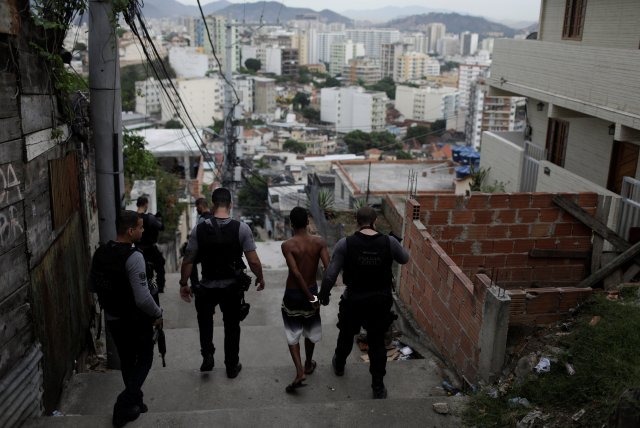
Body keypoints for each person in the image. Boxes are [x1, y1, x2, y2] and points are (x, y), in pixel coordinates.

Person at [319, 206, 409, 399]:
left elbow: (330, 275)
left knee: (346, 334)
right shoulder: (389, 242)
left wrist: (323, 296)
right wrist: (395, 245)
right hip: (379, 302)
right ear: (375, 221)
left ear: (357, 221)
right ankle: (378, 387)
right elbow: (404, 259)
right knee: (377, 343)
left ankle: (340, 365)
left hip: (353, 301)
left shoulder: (345, 244)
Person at [179, 188, 265, 377]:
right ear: (230, 204)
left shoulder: (199, 229)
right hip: (231, 288)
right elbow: (254, 261)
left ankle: (207, 356)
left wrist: (183, 283)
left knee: (204, 322)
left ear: (212, 204)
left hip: (207, 286)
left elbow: (188, 259)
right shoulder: (241, 228)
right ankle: (231, 366)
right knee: (232, 326)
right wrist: (260, 277)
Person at [89, 210, 163, 427]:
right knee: (146, 359)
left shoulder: (101, 252)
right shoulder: (134, 257)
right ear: (130, 231)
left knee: (128, 361)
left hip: (113, 318)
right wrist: (157, 313)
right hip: (135, 321)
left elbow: (91, 286)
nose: (143, 230)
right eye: (140, 227)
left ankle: (135, 402)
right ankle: (124, 403)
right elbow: (143, 298)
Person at [280, 207, 330, 393]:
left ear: (291, 225)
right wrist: (319, 296)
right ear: (308, 222)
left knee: (293, 334)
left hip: (293, 294)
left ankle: (300, 371)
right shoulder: (319, 243)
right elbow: (329, 270)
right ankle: (309, 364)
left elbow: (295, 272)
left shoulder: (288, 245)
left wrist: (310, 297)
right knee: (310, 330)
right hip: (311, 291)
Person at [136, 196, 166, 293]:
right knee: (160, 265)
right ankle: (159, 287)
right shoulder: (150, 217)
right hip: (149, 248)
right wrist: (159, 219)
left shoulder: (132, 217)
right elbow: (161, 227)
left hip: (136, 248)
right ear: (145, 204)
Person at [189, 198, 213, 288]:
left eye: (196, 207)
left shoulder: (202, 219)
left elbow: (198, 237)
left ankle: (195, 285)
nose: (196, 209)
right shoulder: (213, 216)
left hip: (205, 249)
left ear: (200, 206)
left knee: (190, 260)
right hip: (214, 248)